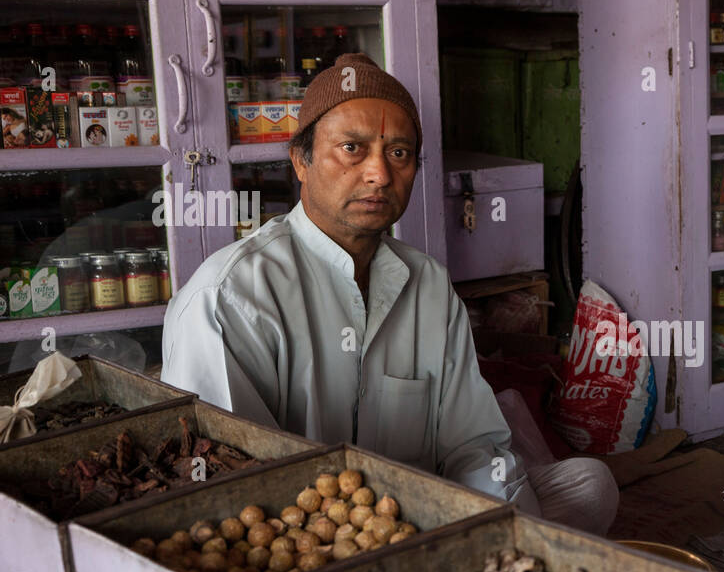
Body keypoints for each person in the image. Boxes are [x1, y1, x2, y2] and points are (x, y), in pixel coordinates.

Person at [161, 54, 618, 536]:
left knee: (590, 485)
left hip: (424, 523)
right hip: (302, 540)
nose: (379, 174)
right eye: (352, 148)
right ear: (301, 160)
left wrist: (501, 530)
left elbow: (473, 445)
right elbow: (234, 484)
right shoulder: (230, 295)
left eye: (398, 153)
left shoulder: (428, 284)